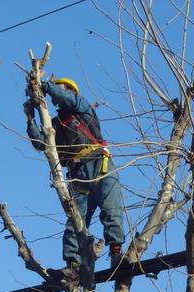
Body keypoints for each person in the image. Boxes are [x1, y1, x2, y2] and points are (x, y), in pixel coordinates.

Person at [24, 77, 125, 279]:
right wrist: (31, 118)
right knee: (75, 221)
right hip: (77, 174)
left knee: (111, 209)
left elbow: (64, 97)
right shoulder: (54, 125)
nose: (58, 92)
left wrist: (45, 86)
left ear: (71, 91)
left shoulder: (82, 107)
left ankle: (116, 252)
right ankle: (73, 265)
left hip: (99, 164)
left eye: (61, 88)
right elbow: (41, 144)